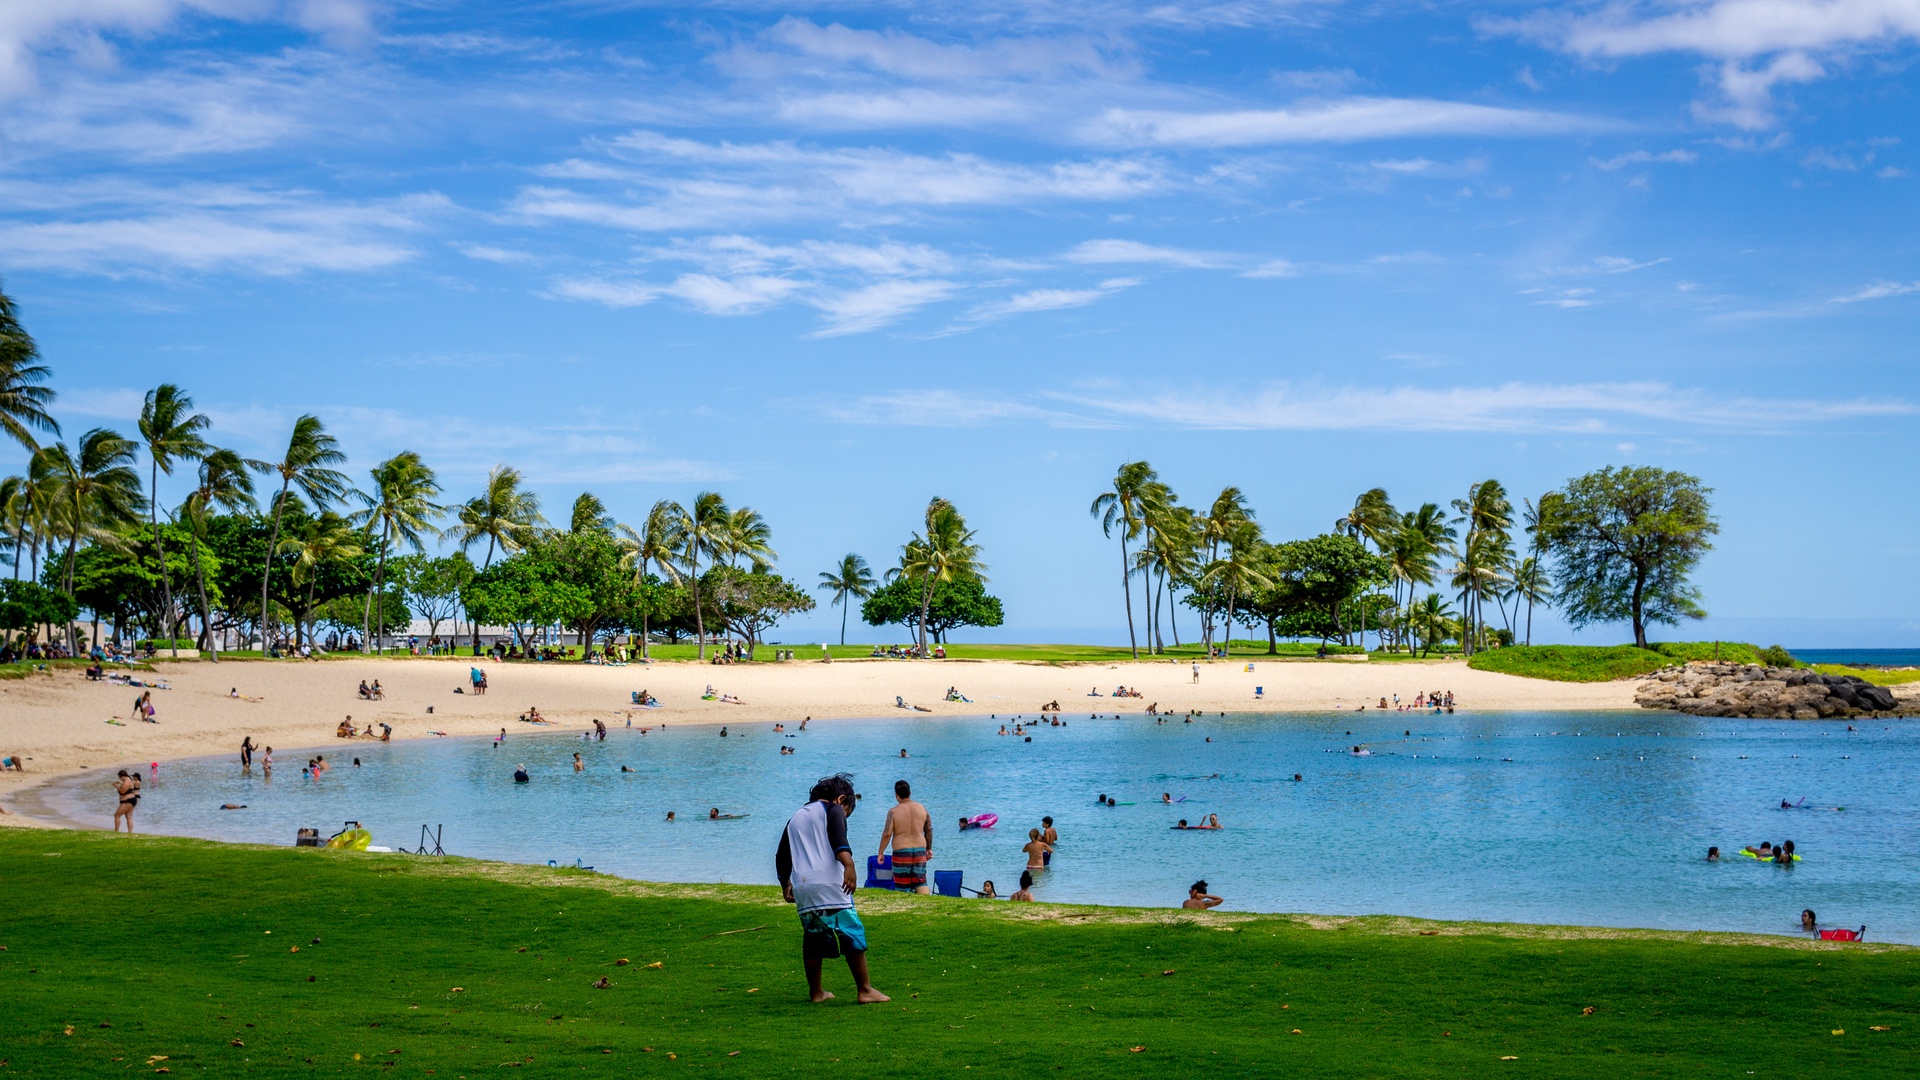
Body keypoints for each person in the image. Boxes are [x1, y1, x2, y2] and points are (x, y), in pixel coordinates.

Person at [774, 772, 887, 1004]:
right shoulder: (833, 809)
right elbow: (838, 838)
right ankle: (864, 990)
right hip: (831, 884)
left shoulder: (795, 818)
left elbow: (782, 856)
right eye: (848, 812)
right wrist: (849, 864)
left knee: (813, 938)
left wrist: (785, 883)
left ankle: (816, 992)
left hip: (804, 887)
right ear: (841, 799)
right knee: (851, 932)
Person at [879, 780, 933, 895]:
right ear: (910, 792)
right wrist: (929, 848)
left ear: (896, 795)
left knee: (901, 884)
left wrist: (881, 852)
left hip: (901, 851)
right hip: (920, 850)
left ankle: (905, 907)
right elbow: (928, 830)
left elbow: (887, 833)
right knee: (921, 882)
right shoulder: (922, 808)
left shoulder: (892, 812)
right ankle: (926, 904)